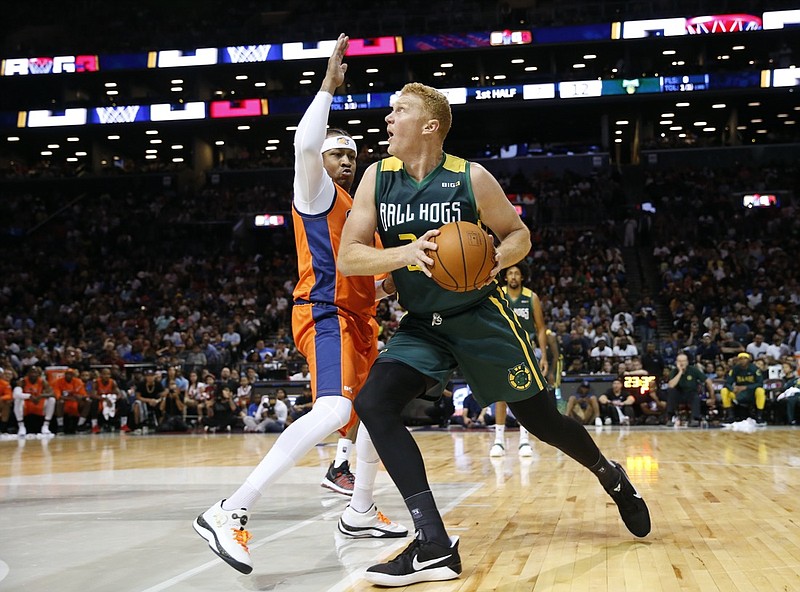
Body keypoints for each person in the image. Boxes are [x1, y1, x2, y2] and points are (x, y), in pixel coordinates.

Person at [338, 80, 650, 586]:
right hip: (423, 326)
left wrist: (494, 260)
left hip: (481, 319)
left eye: (400, 112)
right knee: (374, 404)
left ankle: (610, 474)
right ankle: (434, 544)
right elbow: (351, 255)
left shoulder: (471, 177)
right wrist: (406, 253)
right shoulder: (377, 177)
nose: (388, 120)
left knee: (541, 421)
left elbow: (519, 234)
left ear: (430, 126)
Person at [193, 35, 406, 576]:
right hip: (325, 314)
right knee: (334, 411)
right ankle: (229, 510)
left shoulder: (363, 217)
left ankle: (359, 511)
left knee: (377, 411)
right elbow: (304, 146)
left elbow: (376, 286)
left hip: (361, 322)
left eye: (352, 156)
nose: (346, 162)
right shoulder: (317, 195)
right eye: (338, 154)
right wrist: (327, 88)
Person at [490, 264, 548, 458]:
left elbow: (540, 328)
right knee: (500, 393)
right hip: (501, 348)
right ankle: (498, 440)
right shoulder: (498, 294)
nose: (513, 276)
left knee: (524, 393)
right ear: (505, 277)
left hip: (525, 350)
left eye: (517, 273)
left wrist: (544, 355)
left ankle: (524, 439)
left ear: (522, 277)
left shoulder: (532, 297)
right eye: (510, 273)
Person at [665, 353, 716, 427]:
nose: (681, 363)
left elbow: (708, 381)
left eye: (683, 361)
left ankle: (694, 419)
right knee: (671, 392)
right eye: (679, 361)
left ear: (687, 362)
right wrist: (680, 372)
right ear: (676, 362)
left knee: (695, 396)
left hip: (690, 394)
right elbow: (671, 385)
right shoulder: (674, 371)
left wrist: (712, 397)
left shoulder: (693, 370)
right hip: (678, 394)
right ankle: (670, 418)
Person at [721, 352, 767, 425]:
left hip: (751, 393)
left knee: (760, 390)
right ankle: (730, 416)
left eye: (745, 358)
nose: (742, 360)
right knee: (724, 390)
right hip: (738, 393)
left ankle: (759, 416)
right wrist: (733, 389)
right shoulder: (735, 369)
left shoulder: (754, 369)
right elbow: (727, 383)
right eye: (740, 359)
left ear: (748, 360)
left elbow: (760, 383)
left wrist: (746, 387)